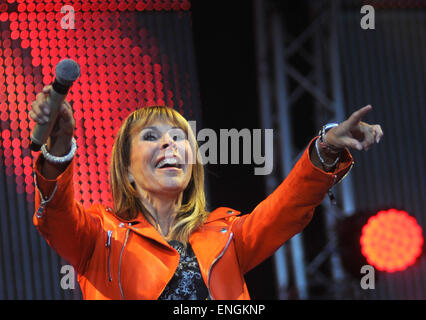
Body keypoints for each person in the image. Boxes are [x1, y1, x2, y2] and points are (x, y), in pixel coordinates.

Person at [29, 85, 383, 300]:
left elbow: (289, 205)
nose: (169, 142)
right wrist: (60, 143)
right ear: (126, 171)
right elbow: (56, 214)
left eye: (179, 137)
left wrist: (326, 147)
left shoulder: (227, 234)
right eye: (151, 136)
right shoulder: (98, 235)